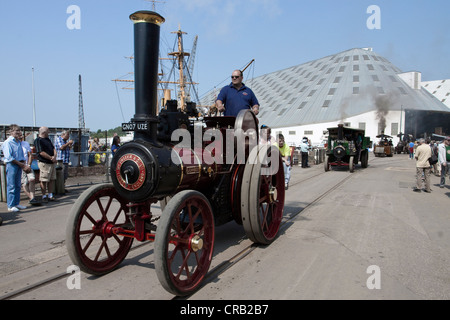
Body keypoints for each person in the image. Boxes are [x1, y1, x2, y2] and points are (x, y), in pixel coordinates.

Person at [1, 124, 30, 212]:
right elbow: (9, 157)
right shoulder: (8, 142)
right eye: (16, 131)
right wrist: (21, 164)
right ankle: (10, 205)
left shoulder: (18, 142)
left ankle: (16, 203)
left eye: (19, 130)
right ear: (11, 132)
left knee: (17, 185)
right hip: (12, 165)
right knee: (11, 185)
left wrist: (23, 163)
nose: (19, 132)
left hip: (19, 164)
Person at [35, 126, 57, 202]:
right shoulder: (38, 140)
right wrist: (51, 158)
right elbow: (41, 152)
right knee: (44, 180)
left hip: (51, 163)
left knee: (51, 179)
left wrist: (54, 156)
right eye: (48, 131)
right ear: (44, 132)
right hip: (44, 163)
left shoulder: (48, 140)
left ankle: (50, 195)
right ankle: (44, 196)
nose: (49, 133)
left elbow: (53, 148)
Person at [21, 134, 39, 205]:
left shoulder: (25, 144)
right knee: (24, 183)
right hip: (20, 166)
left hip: (27, 165)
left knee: (32, 179)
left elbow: (30, 155)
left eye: (21, 135)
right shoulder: (15, 145)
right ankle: (31, 198)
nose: (20, 137)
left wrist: (28, 165)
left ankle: (32, 197)